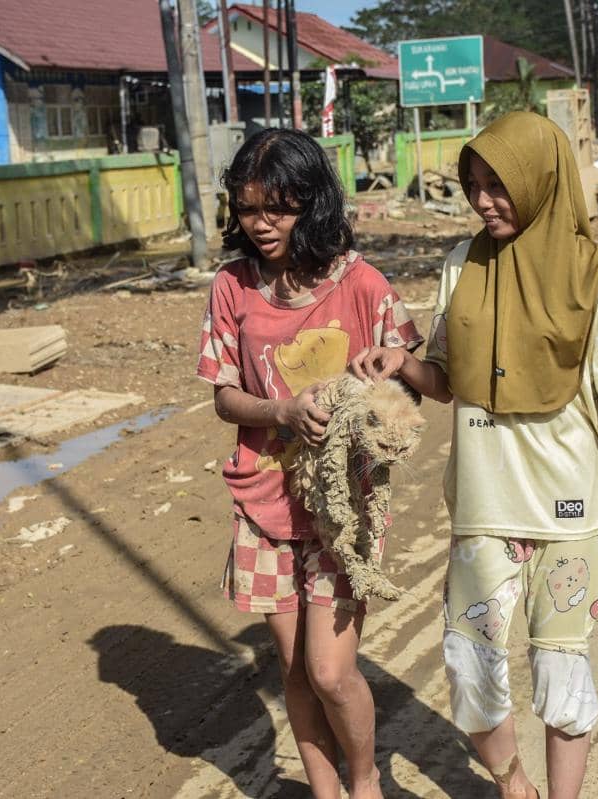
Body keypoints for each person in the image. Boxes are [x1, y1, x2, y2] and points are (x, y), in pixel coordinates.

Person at [349, 112, 598, 799]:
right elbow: (447, 381)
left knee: (561, 674)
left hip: (568, 515)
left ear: (540, 180)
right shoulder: (461, 266)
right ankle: (513, 780)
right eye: (474, 185)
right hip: (483, 510)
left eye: (498, 186)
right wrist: (404, 365)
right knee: (468, 666)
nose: (483, 200)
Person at [197, 128, 422, 799]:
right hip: (263, 503)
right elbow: (224, 395)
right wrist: (283, 413)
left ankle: (364, 781)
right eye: (248, 208)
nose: (262, 223)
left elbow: (414, 379)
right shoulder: (232, 285)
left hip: (342, 511)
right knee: (294, 669)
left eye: (279, 208)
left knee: (329, 670)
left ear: (314, 202)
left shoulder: (363, 284)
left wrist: (383, 395)